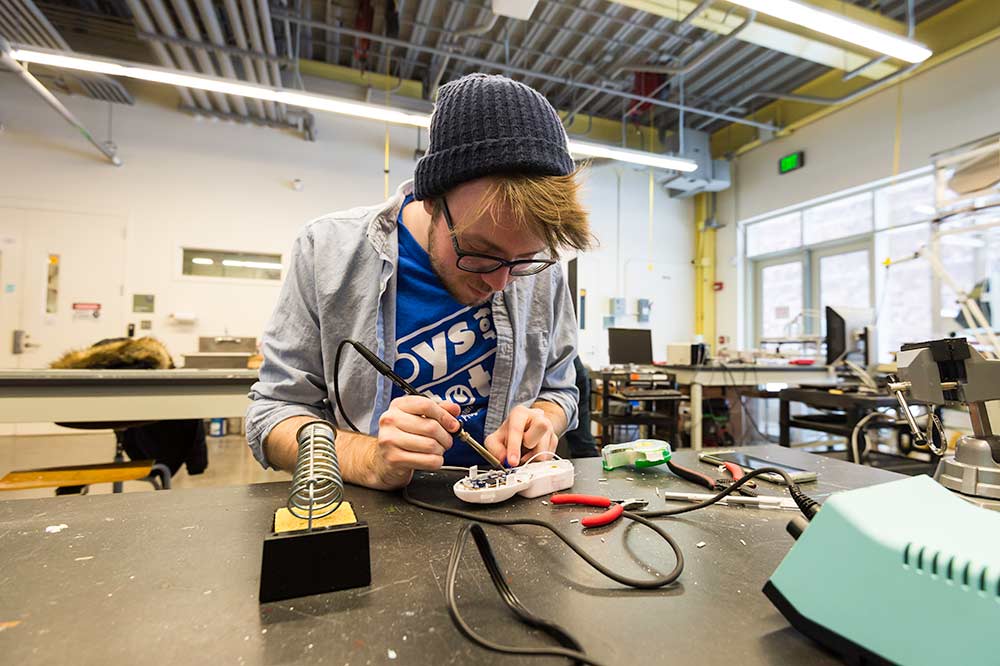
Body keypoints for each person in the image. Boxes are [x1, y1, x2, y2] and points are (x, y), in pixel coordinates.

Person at [246, 73, 594, 489]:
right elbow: (274, 415)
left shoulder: (540, 267)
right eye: (480, 253)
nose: (502, 282)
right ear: (431, 197)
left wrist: (543, 420)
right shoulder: (327, 251)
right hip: (379, 517)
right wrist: (369, 458)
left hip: (509, 510)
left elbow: (561, 389)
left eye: (521, 261)